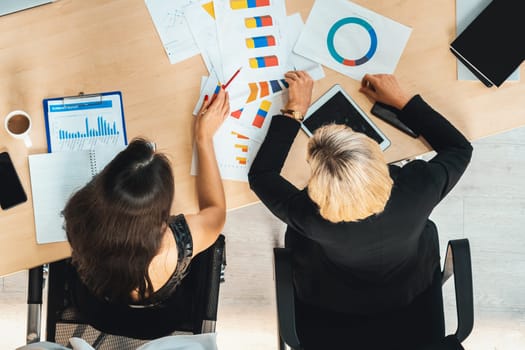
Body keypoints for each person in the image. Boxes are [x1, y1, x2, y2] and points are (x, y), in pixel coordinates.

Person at [248, 71, 473, 347]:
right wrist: (403, 100)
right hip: (409, 292)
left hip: (331, 302)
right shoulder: (419, 186)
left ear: (320, 193)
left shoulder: (311, 217)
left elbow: (261, 176)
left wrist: (294, 111)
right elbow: (460, 149)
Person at [63, 88, 229, 311]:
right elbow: (216, 211)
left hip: (93, 306)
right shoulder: (177, 243)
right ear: (162, 213)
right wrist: (204, 138)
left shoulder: (81, 217)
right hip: (159, 318)